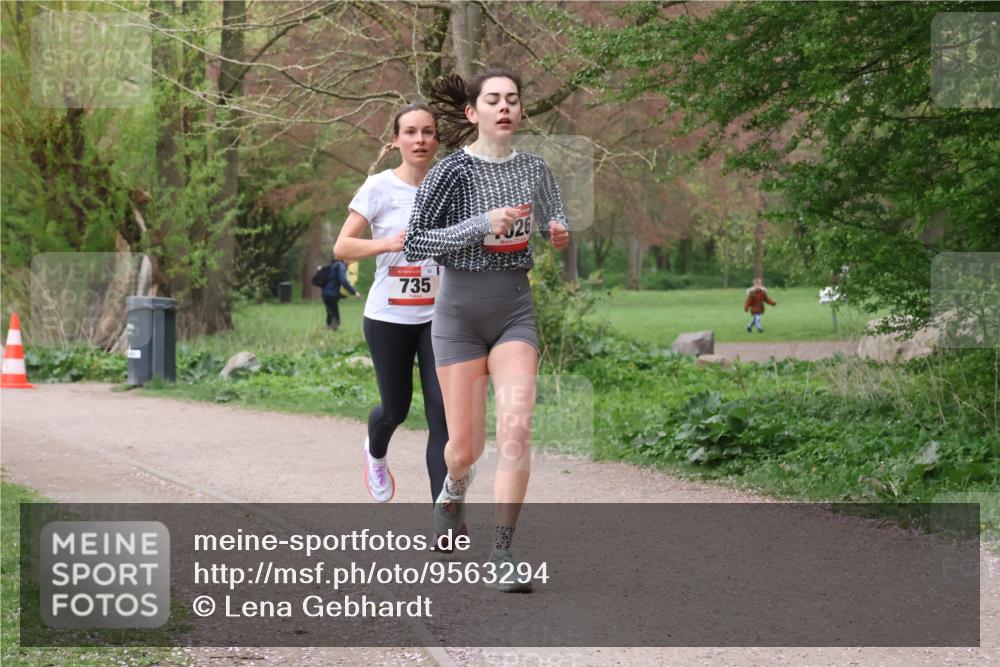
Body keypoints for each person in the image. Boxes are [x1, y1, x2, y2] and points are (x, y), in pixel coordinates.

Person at [404, 69, 570, 592]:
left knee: (517, 431)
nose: (505, 107)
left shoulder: (535, 169)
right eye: (493, 100)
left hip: (514, 308)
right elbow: (415, 244)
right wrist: (482, 224)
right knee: (465, 448)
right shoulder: (451, 170)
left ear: (520, 112)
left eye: (513, 100)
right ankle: (454, 487)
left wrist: (555, 231)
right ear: (473, 113)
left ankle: (502, 551)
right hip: (458, 315)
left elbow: (553, 219)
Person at [333, 103, 452, 518]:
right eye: (411, 132)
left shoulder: (449, 186)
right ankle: (376, 449)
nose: (420, 140)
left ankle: (446, 515)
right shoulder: (378, 187)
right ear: (397, 140)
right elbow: (342, 246)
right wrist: (389, 243)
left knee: (443, 416)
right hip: (388, 317)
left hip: (439, 317)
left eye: (428, 132)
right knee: (396, 408)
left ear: (437, 139)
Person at [321, 257, 361, 330]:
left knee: (331, 314)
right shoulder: (340, 265)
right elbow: (343, 281)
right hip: (331, 294)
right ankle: (331, 330)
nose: (350, 263)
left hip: (326, 292)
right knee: (336, 318)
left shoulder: (335, 264)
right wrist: (354, 292)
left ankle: (328, 329)